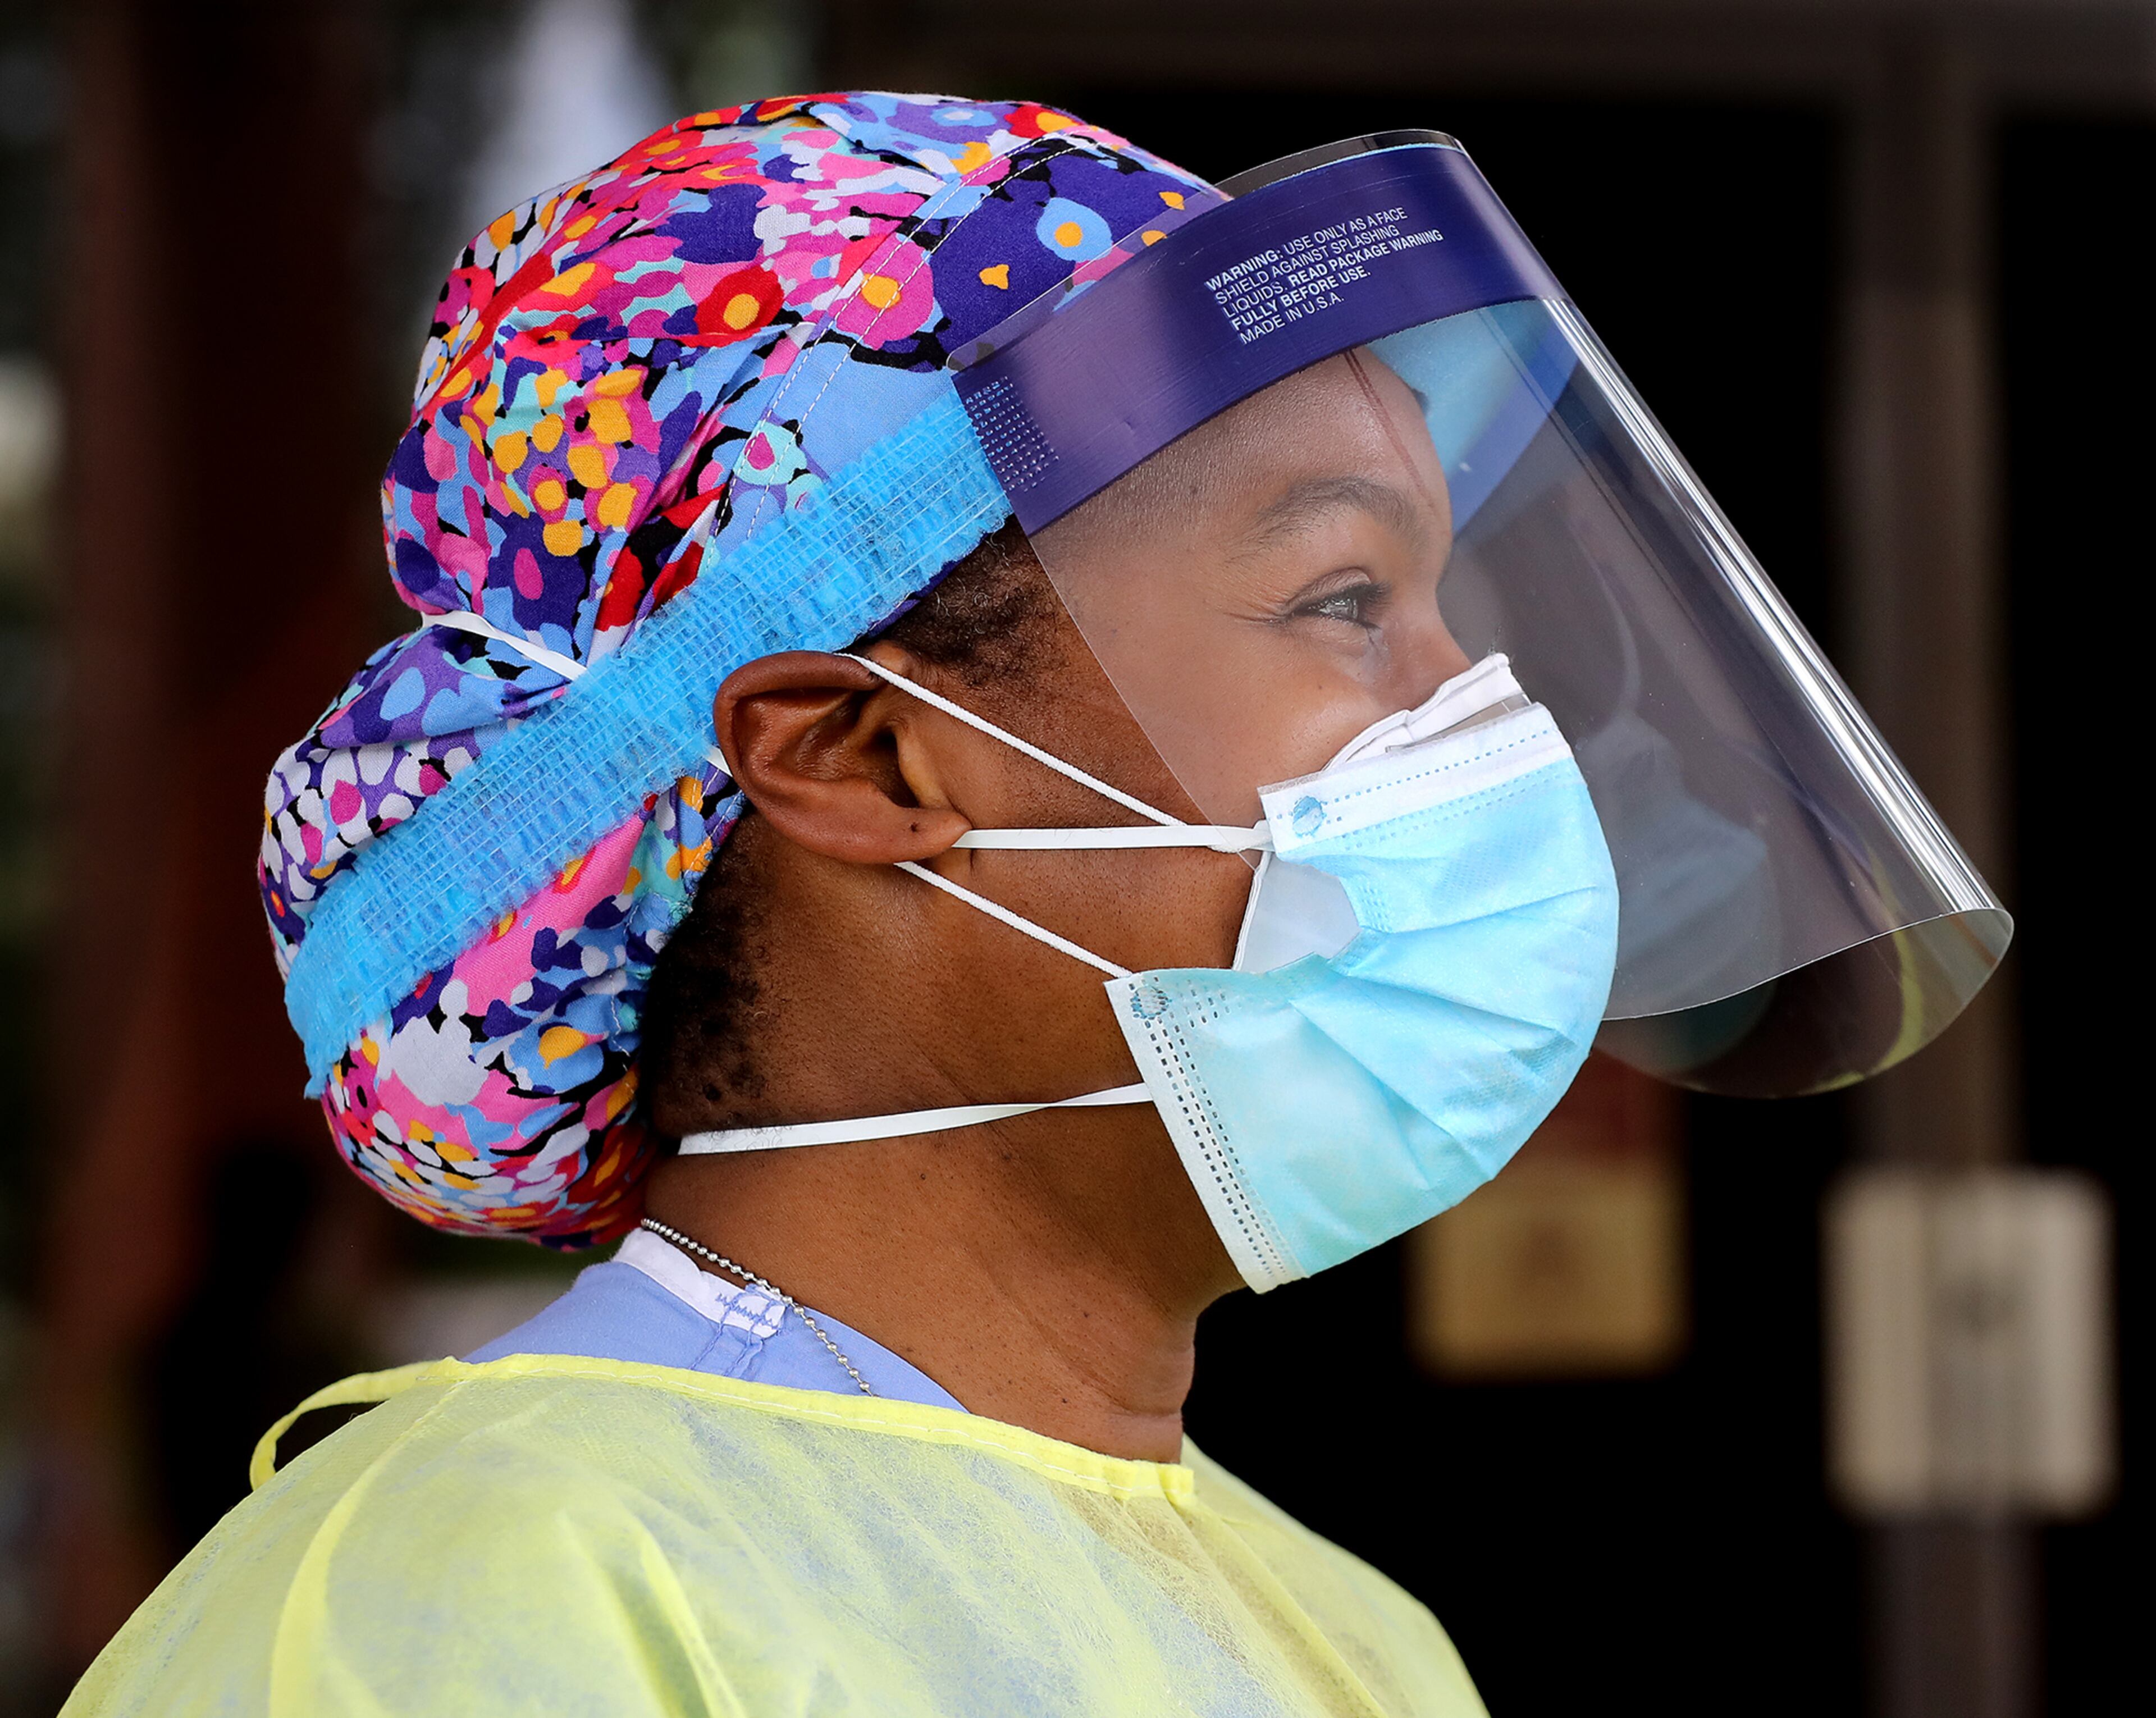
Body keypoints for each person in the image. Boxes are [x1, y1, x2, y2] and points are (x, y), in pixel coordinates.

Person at [63, 94, 2007, 1716]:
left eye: (1456, 617)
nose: (1492, 729)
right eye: (1345, 603)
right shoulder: (474, 1595)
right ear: (864, 755)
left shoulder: (1366, 1645)